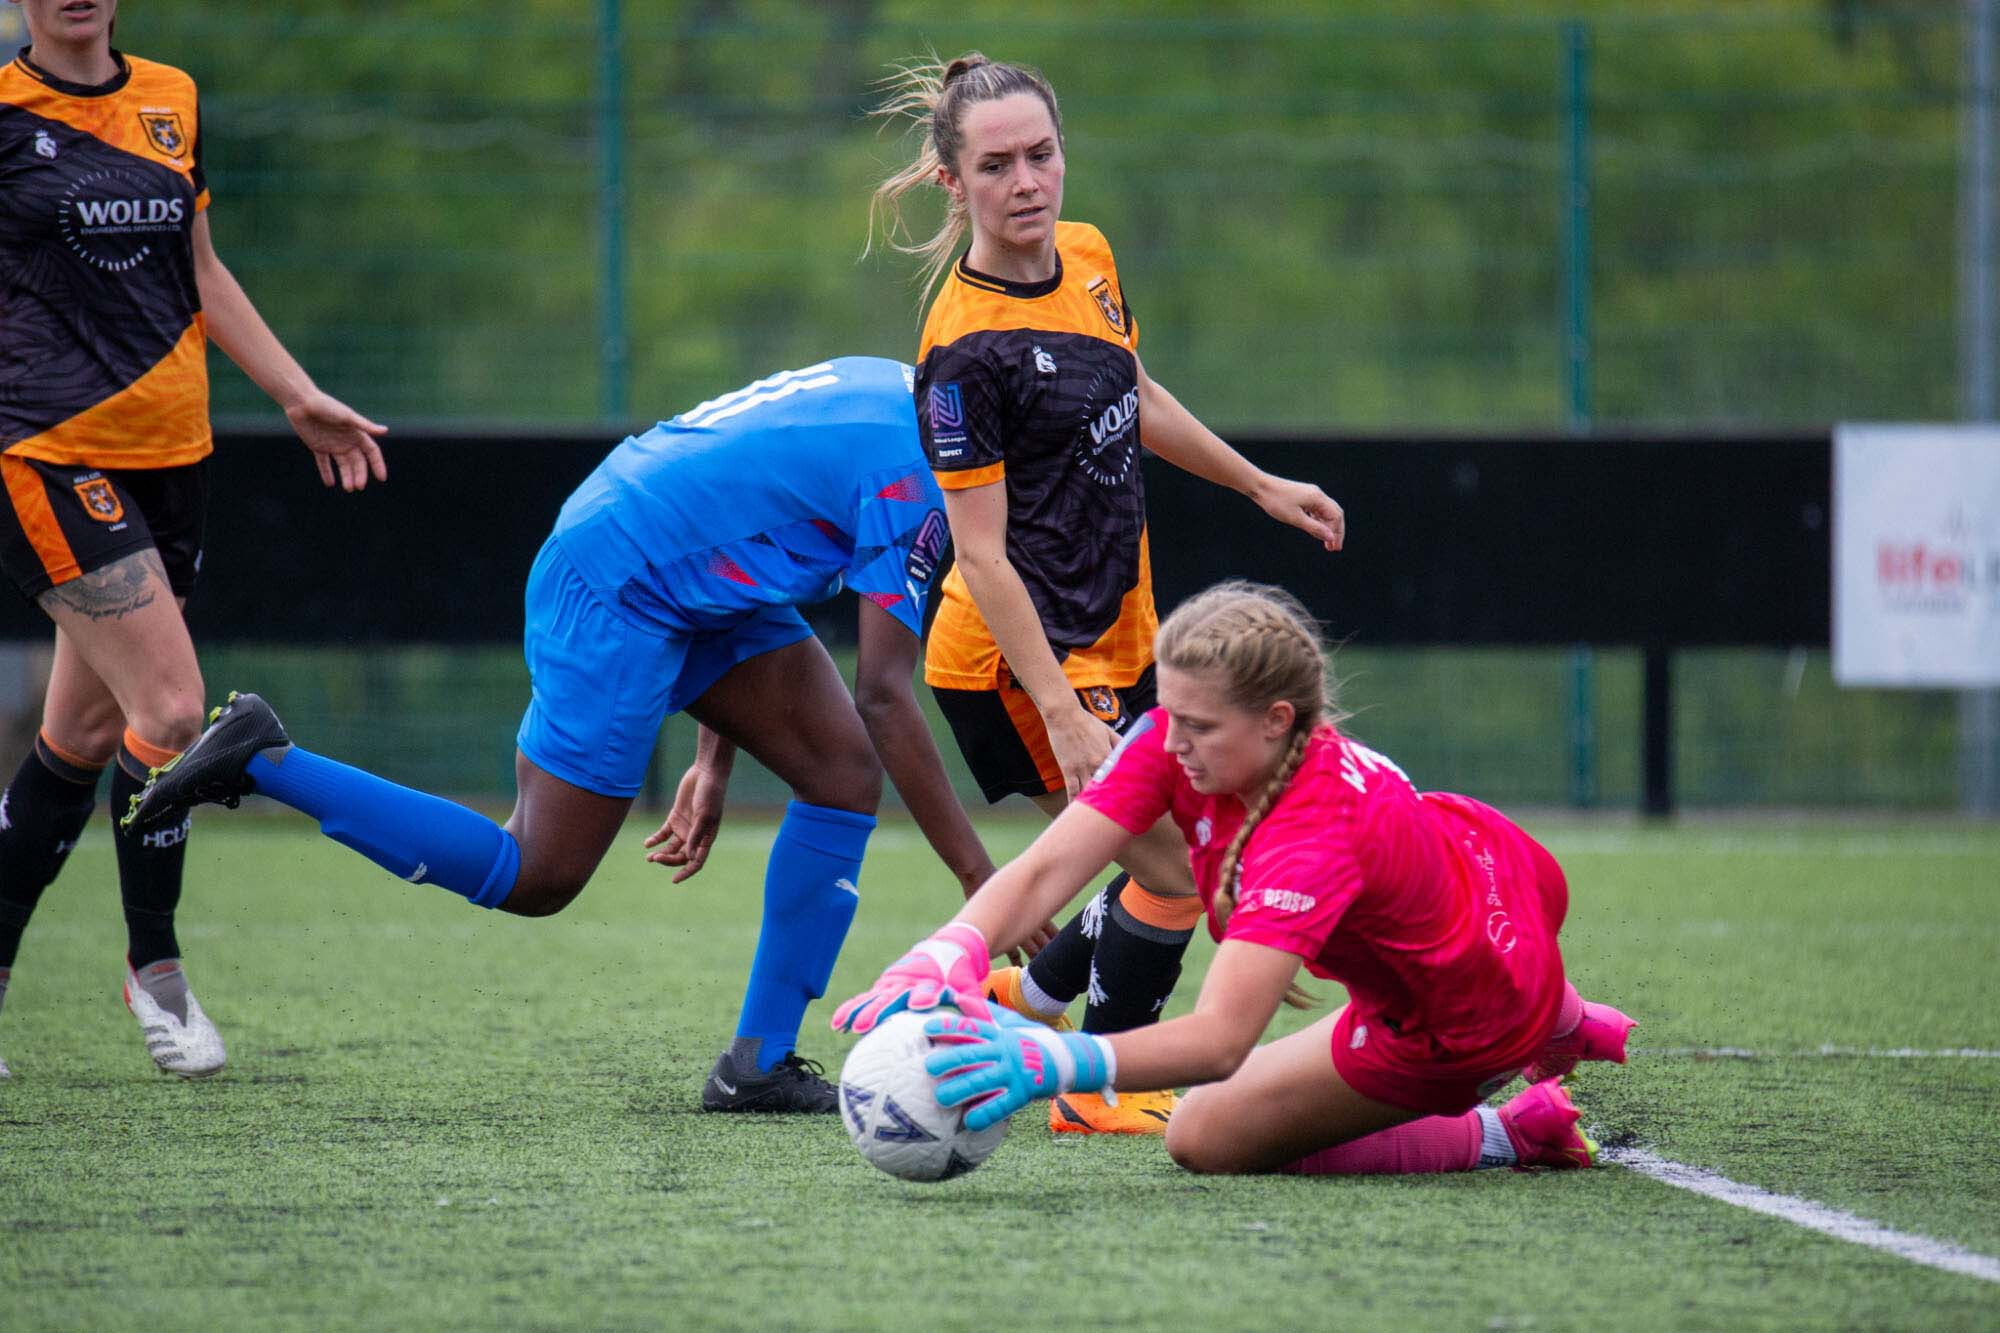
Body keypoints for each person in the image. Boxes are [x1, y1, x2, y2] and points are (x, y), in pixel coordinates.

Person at [127, 356, 998, 1113]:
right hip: (618, 577)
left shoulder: (904, 392)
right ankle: (268, 758)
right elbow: (883, 692)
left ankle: (757, 1066)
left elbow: (754, 524)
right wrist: (985, 890)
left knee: (841, 774)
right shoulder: (916, 475)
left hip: (676, 556)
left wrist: (713, 757)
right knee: (536, 872)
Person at [867, 53, 1348, 1134]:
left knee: (1160, 863)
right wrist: (1058, 713)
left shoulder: (1085, 254)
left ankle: (1028, 1001)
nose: (1027, 182)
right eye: (995, 165)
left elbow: (1127, 386)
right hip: (1013, 664)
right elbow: (980, 558)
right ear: (953, 182)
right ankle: (1088, 1089)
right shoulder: (963, 354)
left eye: (1042, 155)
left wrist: (1258, 484)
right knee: (1176, 869)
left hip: (1118, 633)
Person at [836, 581, 1635, 1175]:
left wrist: (1055, 1060)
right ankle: (1563, 1020)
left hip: (1460, 1016)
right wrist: (953, 945)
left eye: (1200, 725)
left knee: (1203, 1137)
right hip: (1497, 875)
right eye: (1169, 711)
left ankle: (1516, 1128)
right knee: (1462, 950)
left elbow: (1219, 1041)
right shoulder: (1185, 737)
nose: (1170, 741)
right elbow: (1052, 861)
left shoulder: (1311, 838)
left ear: (1276, 720)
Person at [0, 0, 387, 1080]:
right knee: (172, 710)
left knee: (78, 740)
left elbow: (201, 272)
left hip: (175, 454)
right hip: (48, 451)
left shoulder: (172, 96)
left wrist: (298, 393)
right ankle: (156, 968)